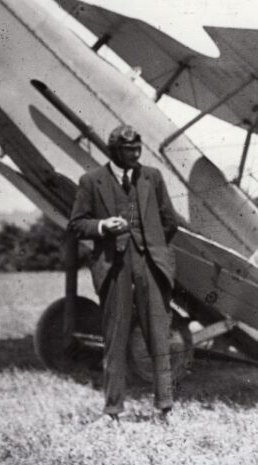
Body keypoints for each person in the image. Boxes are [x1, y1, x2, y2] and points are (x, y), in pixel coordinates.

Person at [68, 123, 180, 421]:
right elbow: (77, 224)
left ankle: (165, 409)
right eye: (128, 149)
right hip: (113, 267)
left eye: (138, 148)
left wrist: (152, 247)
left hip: (150, 265)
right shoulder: (92, 181)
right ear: (113, 150)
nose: (135, 154)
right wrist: (103, 227)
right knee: (115, 339)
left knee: (158, 337)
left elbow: (170, 221)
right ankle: (113, 410)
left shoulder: (152, 178)